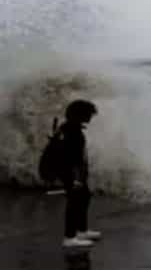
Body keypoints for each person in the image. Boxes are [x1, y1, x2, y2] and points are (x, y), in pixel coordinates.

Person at [60, 99, 101, 248]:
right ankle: (69, 237)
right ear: (80, 114)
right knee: (74, 202)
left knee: (84, 197)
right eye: (89, 114)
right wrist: (75, 178)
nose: (91, 117)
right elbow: (71, 158)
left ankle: (81, 231)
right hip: (70, 173)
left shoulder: (70, 128)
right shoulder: (72, 132)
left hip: (73, 173)